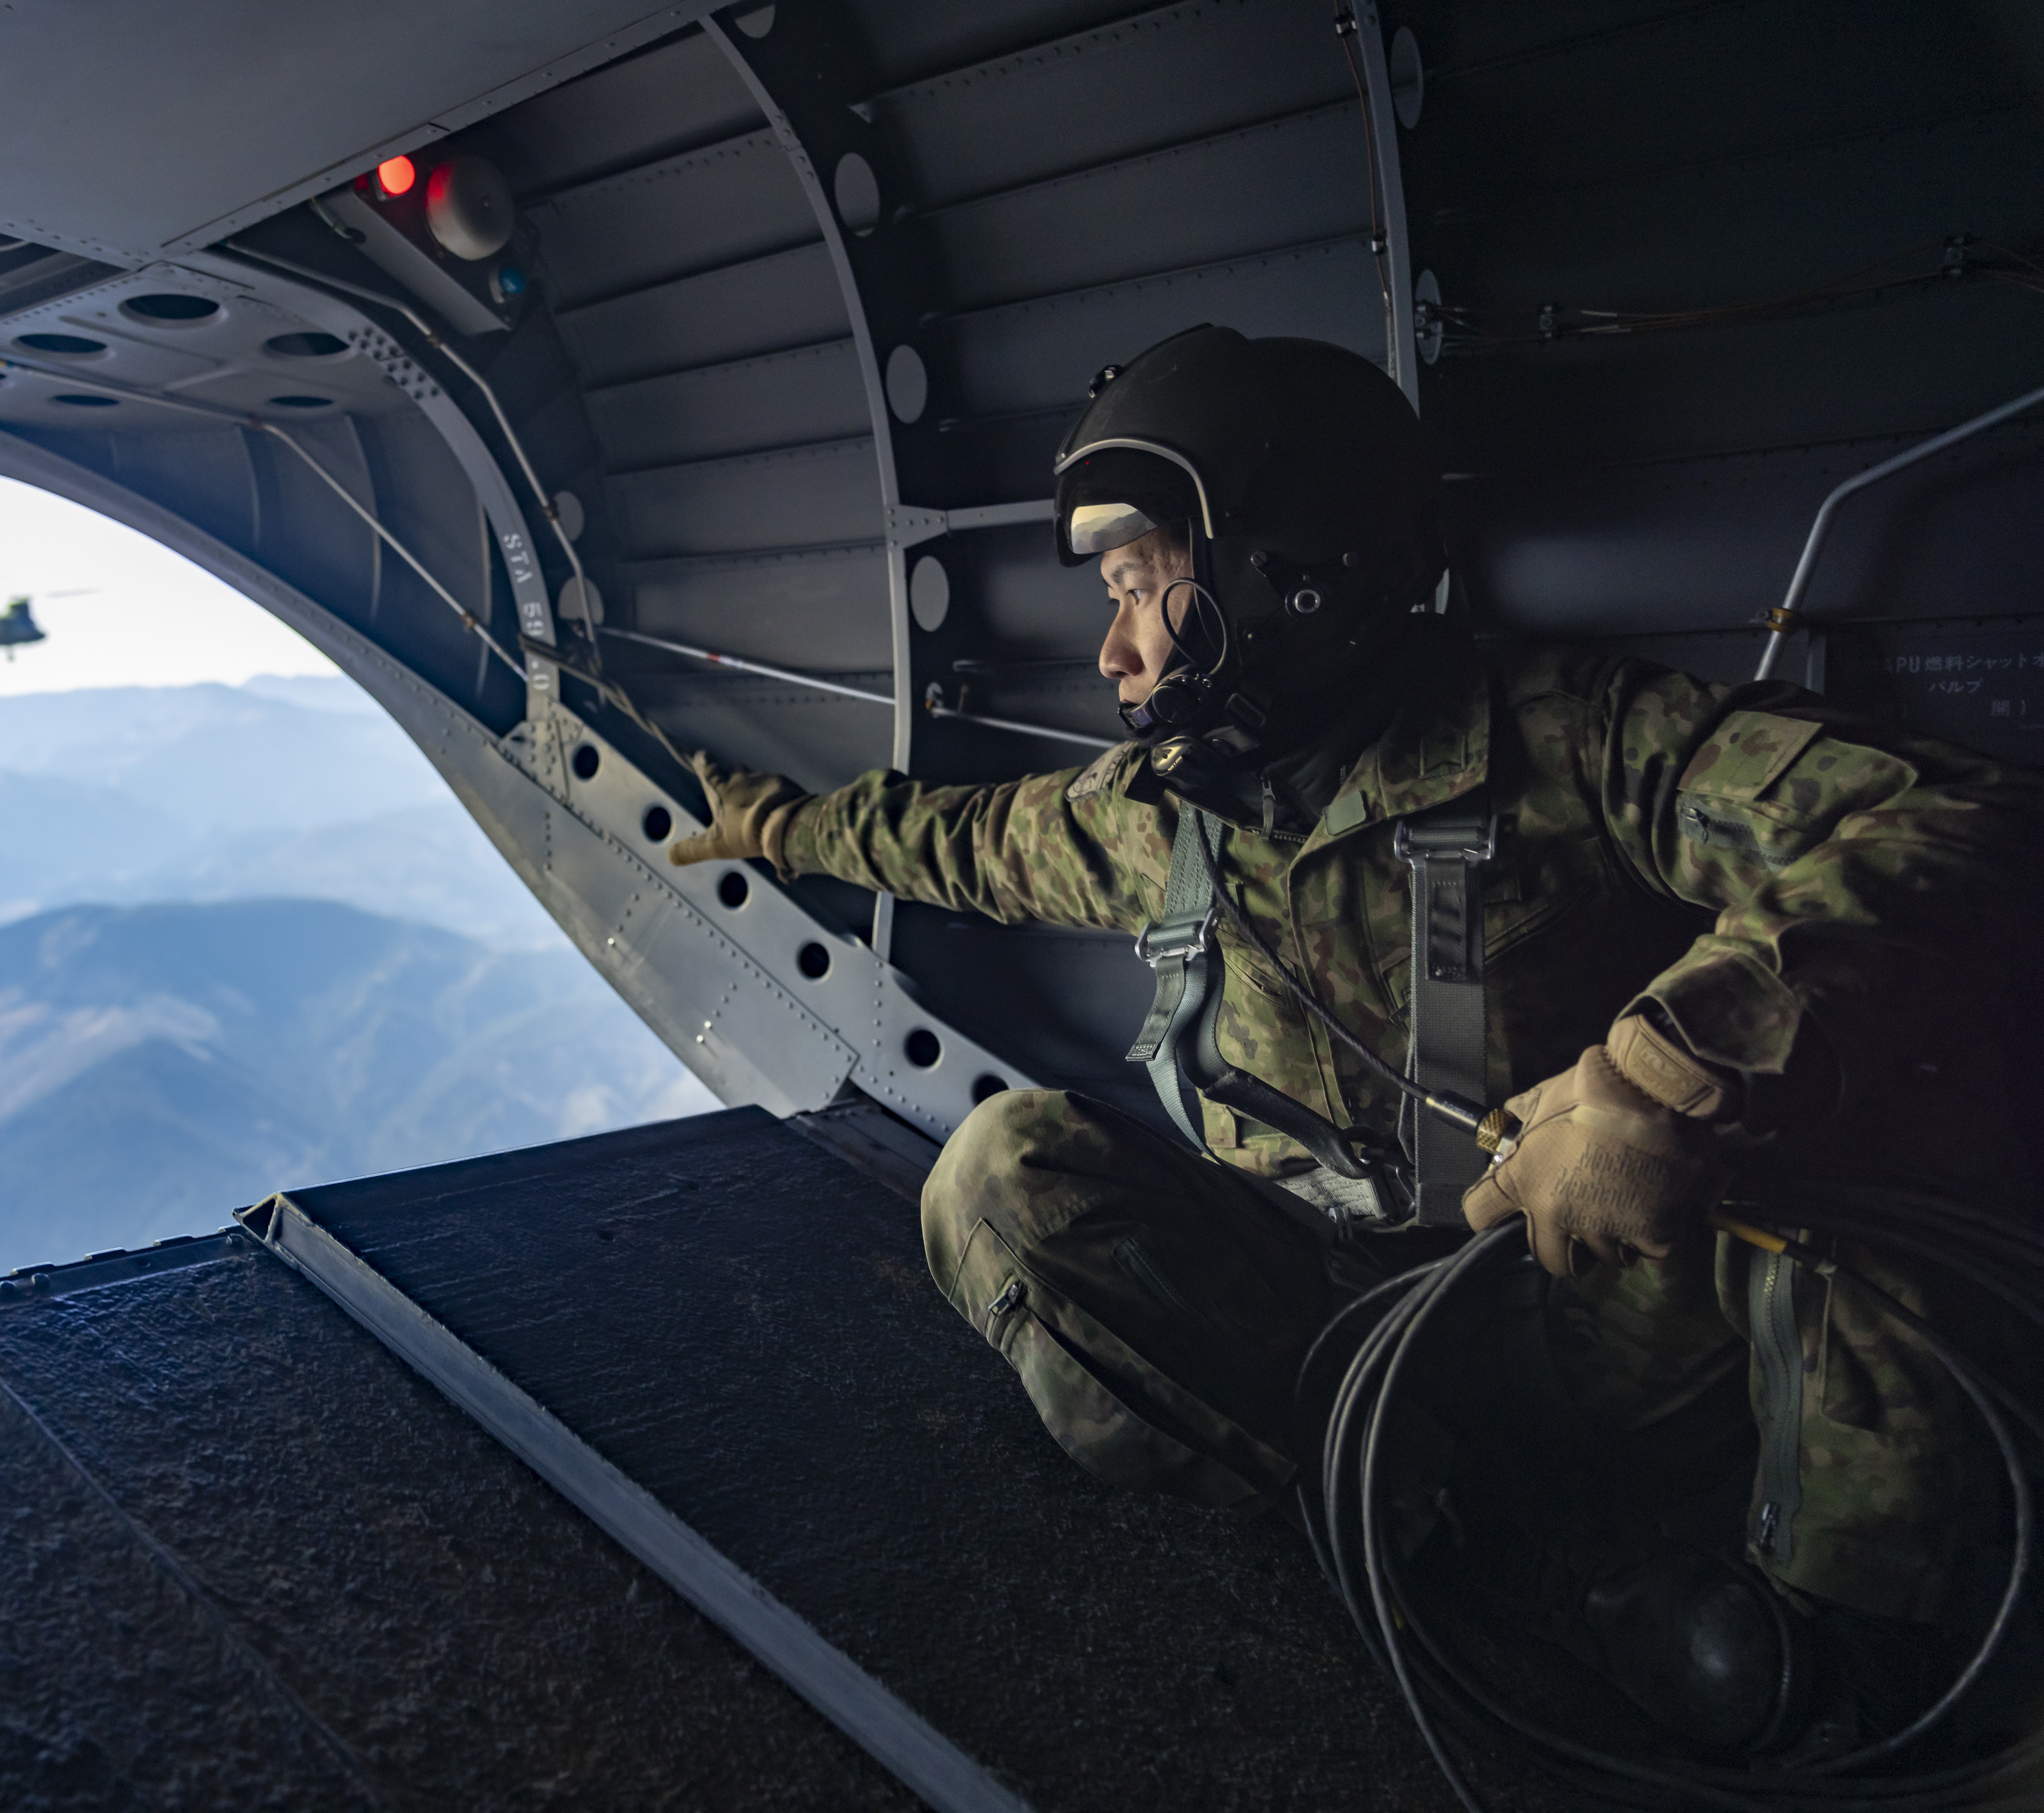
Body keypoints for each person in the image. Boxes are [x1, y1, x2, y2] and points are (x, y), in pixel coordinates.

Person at [667, 324, 2044, 1755]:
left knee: (1857, 1104)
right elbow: (948, 842)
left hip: (1620, 1306)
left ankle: (1835, 1678)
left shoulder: (1568, 736)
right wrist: (779, 829)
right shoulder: (1153, 821)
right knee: (993, 1175)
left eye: (1142, 583)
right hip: (1356, 1345)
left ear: (1286, 566)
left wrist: (1667, 1069)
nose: (1112, 646)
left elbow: (1953, 820)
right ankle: (1463, 1557)